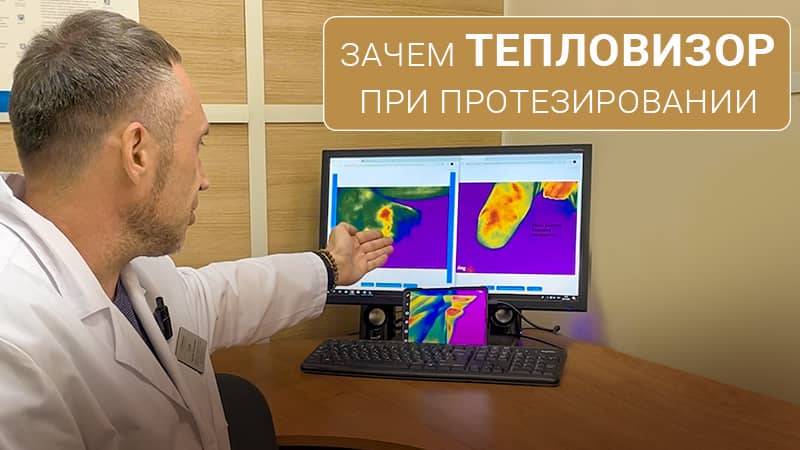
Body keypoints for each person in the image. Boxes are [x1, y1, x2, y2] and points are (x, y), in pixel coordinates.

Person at [0, 9, 393, 450]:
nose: (204, 178)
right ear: (137, 153)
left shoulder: (131, 265)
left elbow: (215, 298)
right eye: (197, 144)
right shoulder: (15, 354)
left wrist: (332, 265)